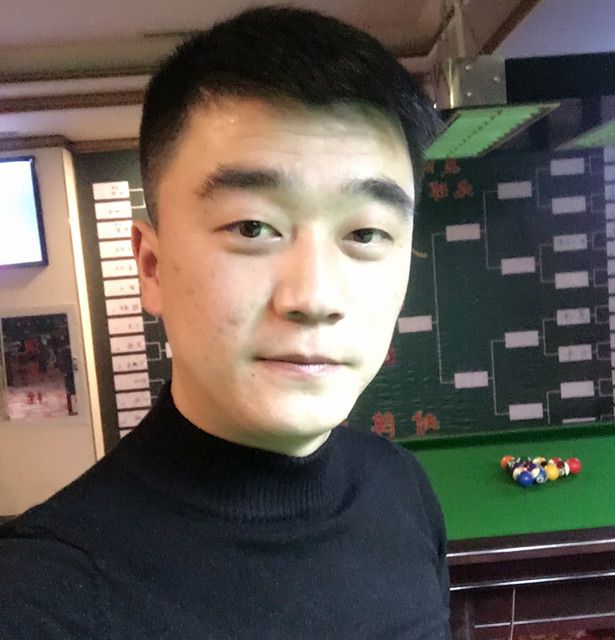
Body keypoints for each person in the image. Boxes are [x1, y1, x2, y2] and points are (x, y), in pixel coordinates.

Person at [0, 6, 449, 638]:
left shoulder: (404, 490)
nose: (314, 296)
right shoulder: (43, 597)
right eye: (252, 227)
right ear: (151, 267)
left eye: (366, 233)